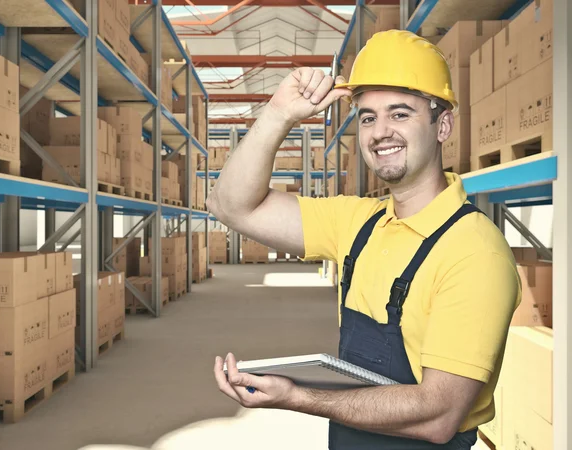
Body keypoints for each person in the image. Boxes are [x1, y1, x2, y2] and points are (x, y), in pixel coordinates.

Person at [208, 30, 521, 449]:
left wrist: (297, 397)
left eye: (400, 113)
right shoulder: (359, 222)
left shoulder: (474, 252)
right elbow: (231, 206)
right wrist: (278, 114)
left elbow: (439, 415)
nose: (380, 132)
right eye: (368, 117)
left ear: (441, 124)